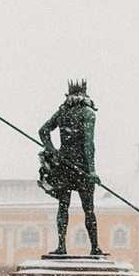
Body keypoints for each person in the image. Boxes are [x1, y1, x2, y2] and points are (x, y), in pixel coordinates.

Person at [37, 80, 102, 258]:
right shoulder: (88, 113)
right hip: (82, 167)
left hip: (63, 166)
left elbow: (43, 131)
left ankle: (61, 246)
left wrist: (52, 150)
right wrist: (92, 170)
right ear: (85, 95)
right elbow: (88, 143)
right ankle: (95, 247)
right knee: (88, 209)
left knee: (63, 206)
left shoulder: (62, 112)